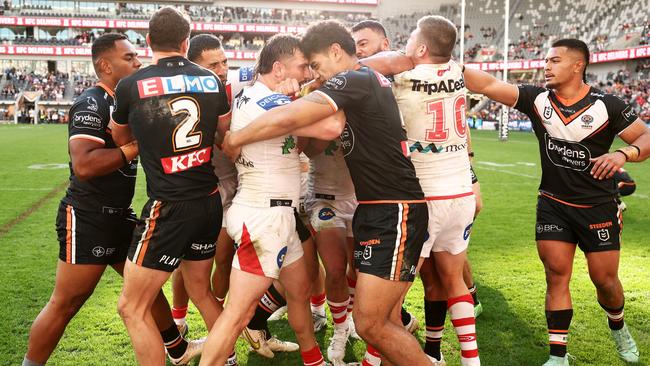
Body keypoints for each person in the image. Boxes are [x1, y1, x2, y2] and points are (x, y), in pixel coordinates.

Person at [222, 20, 431, 366]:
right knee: (382, 320)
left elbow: (293, 117)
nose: (314, 75)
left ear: (336, 51)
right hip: (381, 208)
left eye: (316, 65)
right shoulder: (363, 77)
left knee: (371, 324)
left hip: (396, 211)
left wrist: (237, 137)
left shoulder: (351, 78)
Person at [463, 38, 650, 365]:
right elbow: (490, 84)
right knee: (556, 274)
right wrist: (442, 65)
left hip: (598, 207)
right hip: (553, 204)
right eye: (546, 61)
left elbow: (646, 138)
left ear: (578, 65)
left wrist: (623, 152)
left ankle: (618, 326)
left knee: (605, 281)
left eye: (555, 60)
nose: (546, 66)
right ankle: (558, 355)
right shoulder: (537, 100)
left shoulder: (609, 105)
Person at [22, 33, 198, 366]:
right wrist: (134, 147)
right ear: (105, 65)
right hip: (88, 217)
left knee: (144, 285)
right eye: (129, 58)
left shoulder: (124, 102)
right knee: (67, 302)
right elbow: (85, 164)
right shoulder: (93, 102)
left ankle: (177, 349)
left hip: (119, 214)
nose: (138, 62)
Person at [198, 33, 343, 366]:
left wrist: (299, 94)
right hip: (264, 217)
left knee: (299, 291)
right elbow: (332, 126)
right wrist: (327, 89)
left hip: (275, 214)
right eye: (302, 66)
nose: (308, 72)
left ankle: (313, 360)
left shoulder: (257, 95)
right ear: (279, 68)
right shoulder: (273, 102)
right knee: (237, 314)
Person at [109, 8, 231, 365]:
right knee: (200, 290)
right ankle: (228, 360)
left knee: (132, 307)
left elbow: (120, 136)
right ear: (186, 42)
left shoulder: (130, 85)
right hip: (209, 200)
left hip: (169, 206)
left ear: (148, 42)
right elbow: (224, 134)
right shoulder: (211, 81)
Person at [363, 15, 481, 366]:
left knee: (393, 292)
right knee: (454, 279)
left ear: (423, 47)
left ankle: (374, 361)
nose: (407, 44)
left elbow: (360, 67)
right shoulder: (459, 72)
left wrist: (401, 57)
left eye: (412, 38)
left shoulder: (401, 77)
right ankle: (470, 361)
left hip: (423, 197)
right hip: (460, 192)